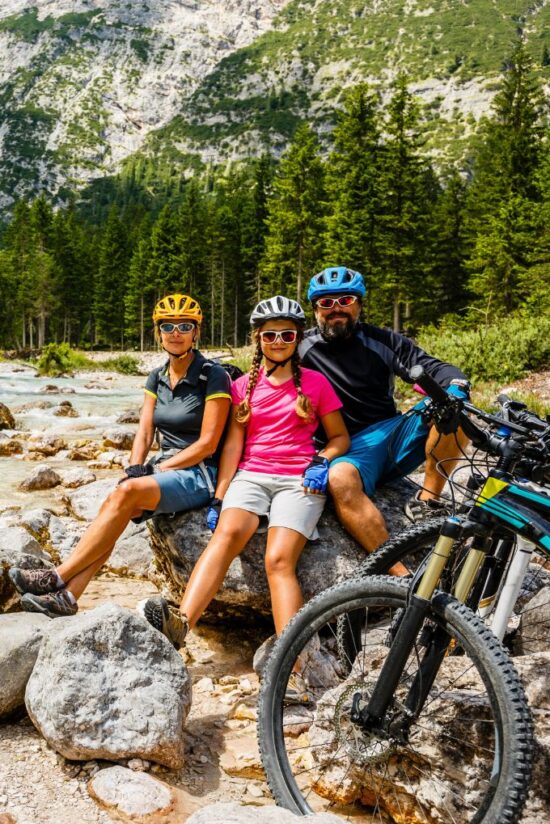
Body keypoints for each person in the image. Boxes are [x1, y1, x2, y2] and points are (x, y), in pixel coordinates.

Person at [139, 296, 349, 698]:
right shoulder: (241, 388)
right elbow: (233, 446)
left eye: (286, 335)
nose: (278, 342)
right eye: (269, 335)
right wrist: (220, 497)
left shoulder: (316, 384)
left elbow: (339, 437)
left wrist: (322, 460)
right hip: (251, 475)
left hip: (297, 480)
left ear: (297, 338)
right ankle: (181, 624)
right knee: (225, 537)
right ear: (258, 339)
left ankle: (293, 668)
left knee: (278, 561)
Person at [9, 294, 232, 620]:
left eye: (185, 326)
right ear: (158, 332)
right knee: (115, 506)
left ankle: (56, 576)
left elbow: (208, 443)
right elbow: (144, 432)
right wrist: (134, 468)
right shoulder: (156, 377)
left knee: (125, 496)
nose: (176, 333)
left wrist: (157, 469)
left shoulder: (213, 375)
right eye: (168, 326)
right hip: (164, 469)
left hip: (199, 473)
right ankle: (69, 597)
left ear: (196, 332)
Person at [299, 267, 470, 567]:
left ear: (359, 305)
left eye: (345, 300)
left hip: (391, 435)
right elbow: (266, 373)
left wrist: (456, 385)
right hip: (343, 450)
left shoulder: (383, 341)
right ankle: (399, 575)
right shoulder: (300, 347)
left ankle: (428, 502)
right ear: (315, 310)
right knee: (339, 479)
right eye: (326, 303)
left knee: (453, 408)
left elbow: (431, 366)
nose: (336, 309)